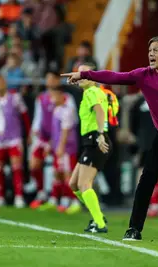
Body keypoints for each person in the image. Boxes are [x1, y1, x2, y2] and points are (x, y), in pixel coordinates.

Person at [61, 36, 158, 244]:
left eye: (156, 50)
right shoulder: (143, 75)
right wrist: (84, 74)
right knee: (145, 183)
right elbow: (113, 76)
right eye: (150, 50)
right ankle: (134, 229)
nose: (151, 54)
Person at [62, 64, 111, 233]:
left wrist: (100, 134)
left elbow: (100, 112)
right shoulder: (90, 93)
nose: (80, 76)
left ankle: (100, 223)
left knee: (84, 184)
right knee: (74, 184)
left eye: (84, 73)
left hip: (95, 140)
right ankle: (97, 215)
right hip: (90, 141)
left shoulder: (92, 92)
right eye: (78, 73)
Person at [29, 71, 75, 209]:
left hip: (61, 141)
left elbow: (71, 122)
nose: (49, 82)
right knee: (35, 165)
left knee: (64, 171)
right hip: (45, 138)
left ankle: (69, 199)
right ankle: (44, 194)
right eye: (47, 79)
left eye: (52, 79)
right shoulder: (41, 98)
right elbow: (38, 118)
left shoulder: (66, 99)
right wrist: (34, 132)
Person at [38, 86, 80, 214]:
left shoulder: (68, 110)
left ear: (61, 96)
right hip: (58, 147)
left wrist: (61, 147)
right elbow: (55, 132)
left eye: (54, 96)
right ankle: (60, 200)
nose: (51, 99)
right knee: (58, 174)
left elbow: (65, 131)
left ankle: (75, 201)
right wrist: (51, 145)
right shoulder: (57, 110)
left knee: (68, 175)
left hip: (67, 149)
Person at [0, 75, 30, 208]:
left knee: (16, 168)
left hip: (14, 138)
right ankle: (0, 197)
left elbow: (25, 116)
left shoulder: (15, 98)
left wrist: (28, 133)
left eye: (1, 81)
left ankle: (19, 196)